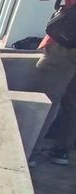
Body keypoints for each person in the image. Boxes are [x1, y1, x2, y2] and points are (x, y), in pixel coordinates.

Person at [31, 0, 76, 165]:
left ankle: (28, 152)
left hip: (67, 43)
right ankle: (61, 150)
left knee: (44, 98)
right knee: (72, 102)